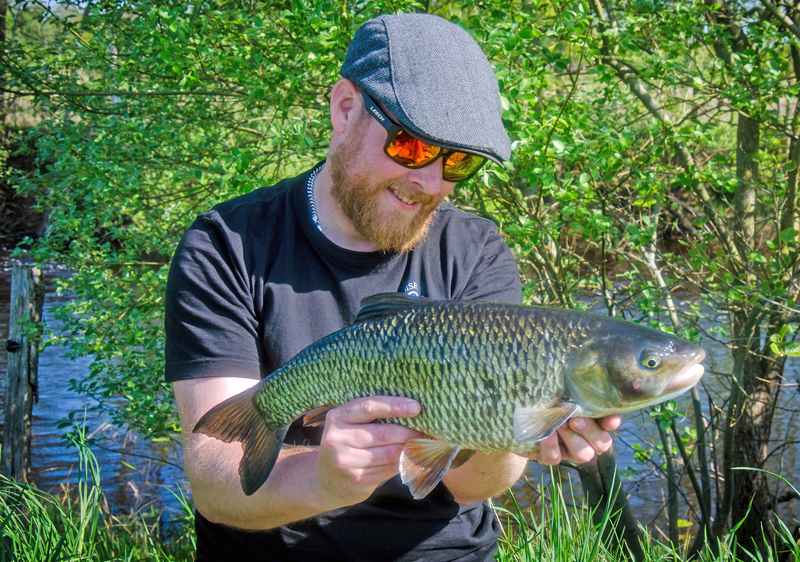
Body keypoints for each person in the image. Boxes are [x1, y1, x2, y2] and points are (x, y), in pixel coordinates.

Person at [165, 13, 621, 562]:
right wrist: (325, 479)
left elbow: (473, 486)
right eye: (409, 145)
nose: (430, 181)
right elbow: (216, 488)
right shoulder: (228, 244)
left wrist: (521, 433)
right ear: (345, 108)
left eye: (459, 162)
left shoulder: (475, 251)